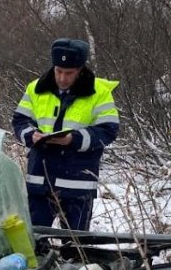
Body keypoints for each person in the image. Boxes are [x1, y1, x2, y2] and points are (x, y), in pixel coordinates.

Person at [12, 38, 120, 231]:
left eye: (69, 73)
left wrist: (73, 139)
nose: (62, 78)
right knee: (36, 243)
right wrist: (31, 136)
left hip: (78, 184)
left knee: (76, 248)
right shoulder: (35, 88)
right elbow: (20, 121)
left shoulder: (100, 93)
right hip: (39, 181)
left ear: (80, 70)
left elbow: (108, 130)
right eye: (58, 71)